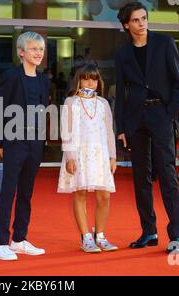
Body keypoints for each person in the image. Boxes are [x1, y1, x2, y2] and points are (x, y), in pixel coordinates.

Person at [115, 2, 179, 253]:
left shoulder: (165, 44)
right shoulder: (122, 55)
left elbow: (178, 85)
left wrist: (169, 115)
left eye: (144, 18)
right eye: (136, 20)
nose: (142, 23)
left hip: (161, 115)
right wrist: (121, 127)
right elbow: (121, 93)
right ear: (126, 25)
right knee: (140, 179)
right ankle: (149, 231)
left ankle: (175, 235)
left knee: (167, 175)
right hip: (136, 121)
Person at [0, 32, 50, 261]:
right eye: (33, 48)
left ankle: (19, 240)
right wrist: (1, 141)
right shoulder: (11, 76)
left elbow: (44, 110)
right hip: (14, 139)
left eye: (41, 49)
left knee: (27, 192)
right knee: (9, 191)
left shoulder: (43, 79)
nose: (38, 53)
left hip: (35, 142)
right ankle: (0, 243)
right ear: (21, 52)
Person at [57, 64, 118, 253]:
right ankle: (86, 237)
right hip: (79, 153)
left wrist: (112, 156)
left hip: (100, 154)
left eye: (94, 79)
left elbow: (109, 131)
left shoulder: (103, 104)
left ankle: (100, 235)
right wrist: (70, 156)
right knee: (81, 193)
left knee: (104, 196)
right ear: (79, 80)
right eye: (86, 78)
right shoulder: (71, 102)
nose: (90, 82)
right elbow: (66, 132)